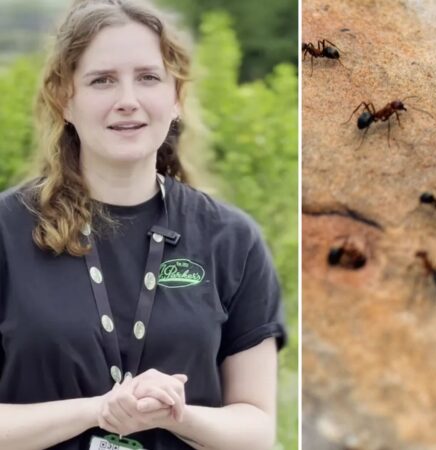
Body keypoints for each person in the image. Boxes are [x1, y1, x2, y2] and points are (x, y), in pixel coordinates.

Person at [0, 0, 287, 449]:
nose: (127, 101)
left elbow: (258, 431)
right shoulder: (6, 230)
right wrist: (99, 409)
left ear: (176, 99)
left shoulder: (233, 240)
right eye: (102, 80)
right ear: (65, 100)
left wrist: (179, 415)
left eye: (148, 77)